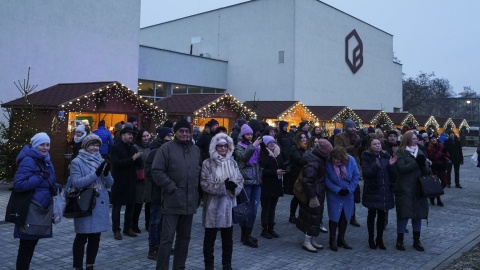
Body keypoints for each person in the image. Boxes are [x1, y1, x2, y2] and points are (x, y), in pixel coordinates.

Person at [151, 119, 202, 270]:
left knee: (184, 239)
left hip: (189, 202)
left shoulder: (195, 150)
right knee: (167, 240)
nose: (184, 134)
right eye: (181, 131)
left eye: (187, 131)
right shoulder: (166, 148)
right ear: (175, 132)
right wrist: (170, 186)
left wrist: (197, 192)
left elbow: (198, 173)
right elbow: (156, 171)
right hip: (172, 201)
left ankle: (179, 267)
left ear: (191, 132)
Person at [13, 132, 59, 269]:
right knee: (26, 246)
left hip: (41, 209)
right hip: (30, 209)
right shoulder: (29, 160)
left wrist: (55, 187)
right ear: (34, 145)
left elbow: (47, 181)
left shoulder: (46, 160)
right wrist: (39, 177)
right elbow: (19, 185)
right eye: (41, 145)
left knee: (31, 245)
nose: (45, 148)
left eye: (47, 144)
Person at [70, 134, 114, 270]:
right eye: (92, 145)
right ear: (85, 146)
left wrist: (106, 174)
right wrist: (95, 174)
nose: (95, 148)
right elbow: (77, 183)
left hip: (100, 202)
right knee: (82, 236)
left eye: (97, 145)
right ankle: (78, 266)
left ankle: (90, 264)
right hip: (85, 203)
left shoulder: (101, 160)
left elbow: (109, 184)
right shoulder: (77, 161)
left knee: (96, 236)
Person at [200, 133, 244, 270]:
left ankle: (227, 265)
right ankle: (209, 265)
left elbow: (240, 180)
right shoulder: (207, 163)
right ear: (214, 147)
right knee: (209, 240)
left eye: (226, 146)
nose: (223, 148)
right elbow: (204, 184)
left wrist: (234, 187)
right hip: (212, 207)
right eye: (220, 146)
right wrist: (223, 186)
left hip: (228, 207)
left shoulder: (233, 162)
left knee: (227, 240)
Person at [395, 131, 430, 252]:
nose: (416, 140)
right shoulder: (400, 152)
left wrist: (423, 165)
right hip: (405, 188)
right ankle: (400, 240)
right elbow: (402, 169)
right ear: (408, 139)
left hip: (419, 188)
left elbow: (426, 172)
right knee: (404, 214)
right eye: (414, 139)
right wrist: (416, 163)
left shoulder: (419, 152)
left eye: (416, 139)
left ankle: (416, 240)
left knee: (418, 215)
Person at [297, 139, 333, 253]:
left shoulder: (318, 159)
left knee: (315, 217)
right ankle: (307, 241)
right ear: (324, 151)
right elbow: (307, 181)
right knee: (311, 217)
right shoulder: (314, 162)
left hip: (317, 192)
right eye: (328, 151)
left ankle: (311, 239)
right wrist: (312, 197)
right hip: (314, 194)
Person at [361, 138, 397, 250]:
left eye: (379, 144)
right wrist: (375, 166)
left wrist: (391, 166)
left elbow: (394, 175)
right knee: (371, 214)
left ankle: (380, 239)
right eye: (375, 144)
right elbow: (366, 173)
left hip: (384, 191)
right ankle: (371, 238)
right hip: (373, 190)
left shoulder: (386, 156)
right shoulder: (366, 157)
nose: (377, 145)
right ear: (370, 146)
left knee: (382, 215)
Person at [144, 127, 173, 260]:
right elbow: (149, 172)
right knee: (155, 221)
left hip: (167, 192)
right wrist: (161, 182)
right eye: (168, 136)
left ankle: (162, 245)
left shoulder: (168, 149)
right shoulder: (154, 151)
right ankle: (153, 248)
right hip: (157, 192)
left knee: (163, 221)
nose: (170, 138)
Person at [110, 125, 143, 240]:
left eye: (132, 134)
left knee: (131, 206)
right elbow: (117, 164)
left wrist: (139, 158)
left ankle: (128, 228)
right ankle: (116, 230)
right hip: (119, 181)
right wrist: (132, 159)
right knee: (117, 207)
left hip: (131, 181)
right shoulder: (115, 148)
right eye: (129, 134)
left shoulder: (133, 148)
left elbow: (139, 165)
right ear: (122, 135)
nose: (131, 136)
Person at [325, 146, 360, 251]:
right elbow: (326, 179)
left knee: (345, 216)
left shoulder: (351, 160)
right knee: (334, 216)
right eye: (335, 159)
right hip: (334, 193)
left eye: (339, 160)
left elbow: (356, 176)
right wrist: (337, 189)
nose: (336, 161)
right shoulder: (328, 162)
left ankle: (341, 239)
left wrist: (349, 189)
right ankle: (332, 240)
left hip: (348, 193)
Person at [234, 123, 262, 248]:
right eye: (247, 134)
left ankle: (248, 234)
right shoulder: (239, 147)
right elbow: (244, 158)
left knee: (254, 209)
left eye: (251, 134)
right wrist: (253, 146)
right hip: (246, 180)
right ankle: (244, 235)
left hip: (256, 180)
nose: (249, 136)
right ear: (242, 135)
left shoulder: (255, 146)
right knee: (246, 208)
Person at [334, 119, 362, 227]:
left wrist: (361, 145)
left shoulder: (357, 137)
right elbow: (339, 150)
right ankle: (340, 216)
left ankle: (352, 217)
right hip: (343, 165)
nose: (353, 129)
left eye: (354, 127)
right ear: (346, 127)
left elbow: (358, 152)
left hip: (354, 165)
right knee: (343, 193)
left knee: (353, 192)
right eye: (351, 127)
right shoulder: (339, 137)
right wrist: (353, 146)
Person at [259, 135, 285, 239]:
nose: (272, 144)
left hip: (277, 184)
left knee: (273, 207)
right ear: (265, 143)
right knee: (266, 208)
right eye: (269, 142)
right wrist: (275, 172)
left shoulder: (277, 153)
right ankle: (264, 229)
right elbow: (262, 171)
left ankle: (271, 227)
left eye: (273, 142)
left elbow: (282, 165)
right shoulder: (263, 154)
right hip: (267, 184)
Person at [132, 130, 152, 233]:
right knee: (138, 202)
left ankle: (148, 224)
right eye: (143, 136)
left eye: (147, 135)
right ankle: (134, 224)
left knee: (149, 201)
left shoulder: (150, 147)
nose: (146, 138)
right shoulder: (135, 147)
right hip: (139, 178)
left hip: (149, 178)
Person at [286, 132, 307, 224]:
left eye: (304, 137)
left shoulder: (305, 148)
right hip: (296, 176)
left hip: (303, 175)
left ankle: (300, 215)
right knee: (297, 196)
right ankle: (292, 215)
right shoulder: (295, 149)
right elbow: (300, 160)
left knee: (301, 197)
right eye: (301, 137)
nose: (303, 139)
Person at [426, 135, 450, 206]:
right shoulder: (429, 147)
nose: (433, 140)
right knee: (436, 183)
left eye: (434, 138)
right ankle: (439, 200)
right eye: (432, 139)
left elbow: (448, 155)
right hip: (434, 167)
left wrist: (445, 152)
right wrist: (441, 152)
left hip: (442, 166)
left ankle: (433, 195)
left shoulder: (441, 145)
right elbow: (433, 157)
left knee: (445, 182)